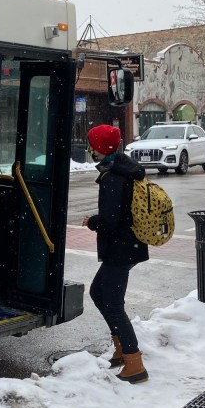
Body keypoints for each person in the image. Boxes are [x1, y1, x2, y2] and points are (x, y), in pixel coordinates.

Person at [81, 124, 149, 384]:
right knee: (98, 293)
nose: (89, 148)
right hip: (127, 246)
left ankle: (134, 364)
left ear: (99, 148)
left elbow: (111, 220)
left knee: (112, 303)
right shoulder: (122, 166)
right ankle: (121, 348)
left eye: (92, 144)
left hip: (121, 249)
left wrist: (92, 221)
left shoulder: (113, 177)